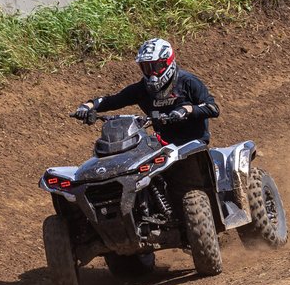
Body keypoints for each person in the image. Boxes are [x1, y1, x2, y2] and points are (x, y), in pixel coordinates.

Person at [74, 38, 219, 194]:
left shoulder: (188, 82)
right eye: (146, 67)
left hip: (192, 144)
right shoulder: (142, 89)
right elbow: (114, 99)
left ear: (167, 63)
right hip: (163, 145)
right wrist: (88, 106)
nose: (152, 73)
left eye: (156, 67)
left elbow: (213, 108)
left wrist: (187, 110)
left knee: (188, 181)